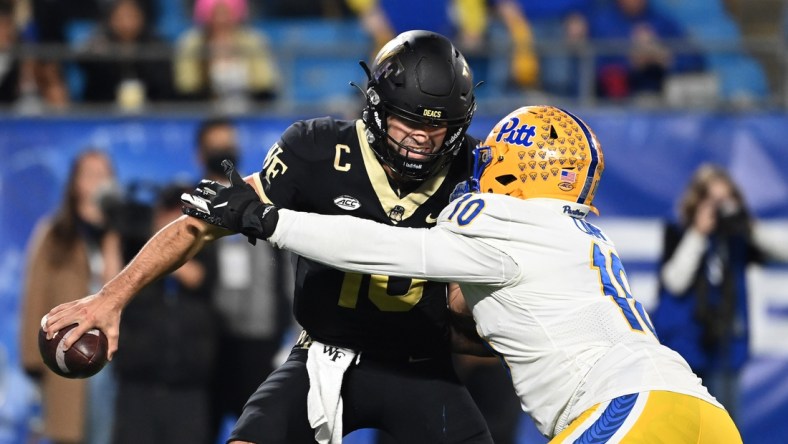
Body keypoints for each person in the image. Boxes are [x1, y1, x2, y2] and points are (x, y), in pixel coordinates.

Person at [182, 105, 743, 442]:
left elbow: (382, 247)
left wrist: (266, 218)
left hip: (628, 411)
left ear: (511, 165)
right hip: (702, 412)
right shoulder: (583, 234)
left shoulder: (503, 217)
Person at [44, 30, 493, 444]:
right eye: (405, 122)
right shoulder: (317, 150)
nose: (419, 140)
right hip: (325, 357)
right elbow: (201, 224)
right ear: (376, 107)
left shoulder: (478, 171)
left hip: (423, 365)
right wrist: (111, 297)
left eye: (436, 129)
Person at [651, 164, 788, 422]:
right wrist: (698, 234)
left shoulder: (737, 238)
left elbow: (783, 253)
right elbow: (674, 282)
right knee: (684, 426)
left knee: (725, 425)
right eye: (714, 201)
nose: (720, 209)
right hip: (685, 345)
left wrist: (748, 226)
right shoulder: (678, 230)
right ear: (697, 201)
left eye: (726, 200)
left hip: (726, 348)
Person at [193, 118, 296, 440]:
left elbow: (288, 272)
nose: (225, 152)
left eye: (229, 144)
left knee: (257, 433)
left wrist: (292, 335)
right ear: (200, 153)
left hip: (260, 343)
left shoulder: (260, 202)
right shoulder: (185, 211)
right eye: (216, 146)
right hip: (207, 346)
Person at [20, 149, 122, 444]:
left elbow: (121, 287)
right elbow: (34, 297)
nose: (99, 182)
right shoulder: (54, 234)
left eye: (105, 175)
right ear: (75, 183)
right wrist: (33, 363)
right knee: (69, 435)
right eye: (91, 174)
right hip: (67, 354)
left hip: (113, 359)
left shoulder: (119, 234)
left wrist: (113, 235)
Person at [111, 183, 219, 444]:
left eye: (181, 212)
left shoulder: (205, 249)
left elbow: (197, 278)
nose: (173, 219)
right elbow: (111, 283)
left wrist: (166, 243)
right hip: (137, 388)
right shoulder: (133, 251)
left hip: (187, 391)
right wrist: (116, 236)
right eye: (168, 210)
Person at [174, 0, 280, 112]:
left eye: (226, 13)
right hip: (205, 113)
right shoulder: (192, 43)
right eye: (216, 14)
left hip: (248, 112)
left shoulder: (252, 41)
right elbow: (187, 86)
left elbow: (265, 83)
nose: (221, 19)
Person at [78, 0, 174, 107]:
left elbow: (162, 85)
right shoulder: (99, 42)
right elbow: (83, 62)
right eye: (120, 17)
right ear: (110, 19)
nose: (126, 23)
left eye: (132, 16)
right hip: (104, 109)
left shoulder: (155, 44)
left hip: (151, 109)